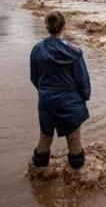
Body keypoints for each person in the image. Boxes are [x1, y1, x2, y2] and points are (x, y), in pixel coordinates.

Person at [30, 11, 91, 169]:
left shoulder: (37, 49)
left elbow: (34, 78)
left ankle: (38, 173)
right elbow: (82, 80)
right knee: (74, 138)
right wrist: (84, 97)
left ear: (47, 27)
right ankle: (77, 178)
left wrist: (45, 92)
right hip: (70, 102)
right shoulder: (74, 51)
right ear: (65, 27)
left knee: (45, 136)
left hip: (47, 101)